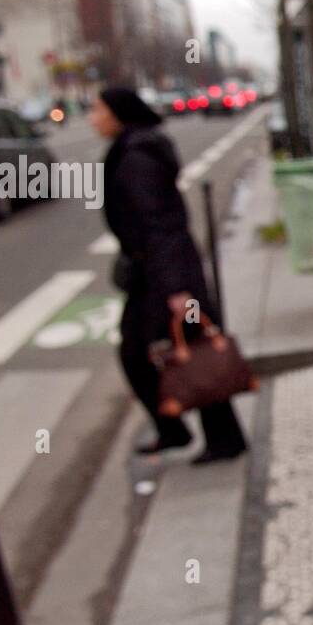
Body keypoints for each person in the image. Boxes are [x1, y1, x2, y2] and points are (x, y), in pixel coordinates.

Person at [89, 87, 247, 465]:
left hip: (168, 276)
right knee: (144, 351)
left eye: (98, 110)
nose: (93, 118)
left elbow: (162, 225)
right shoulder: (133, 150)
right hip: (154, 274)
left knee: (193, 350)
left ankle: (221, 438)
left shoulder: (136, 158)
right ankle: (173, 428)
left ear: (119, 114)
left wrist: (178, 288)